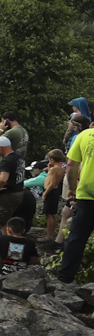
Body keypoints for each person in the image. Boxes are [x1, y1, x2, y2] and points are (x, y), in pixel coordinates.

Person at [60, 114, 94, 282]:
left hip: (87, 194)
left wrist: (72, 189)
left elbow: (71, 165)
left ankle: (65, 278)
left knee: (77, 238)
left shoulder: (84, 135)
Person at [0, 133, 31, 230]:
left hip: (8, 193)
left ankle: (6, 239)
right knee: (7, 215)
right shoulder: (19, 158)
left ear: (0, 148)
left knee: (1, 218)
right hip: (19, 191)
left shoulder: (6, 161)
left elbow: (3, 179)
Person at [43, 148, 69, 243]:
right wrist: (50, 168)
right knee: (53, 213)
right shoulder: (61, 169)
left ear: (52, 159)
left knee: (49, 214)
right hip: (56, 191)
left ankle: (49, 235)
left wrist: (45, 194)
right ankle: (52, 233)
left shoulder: (54, 169)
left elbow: (52, 183)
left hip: (51, 191)